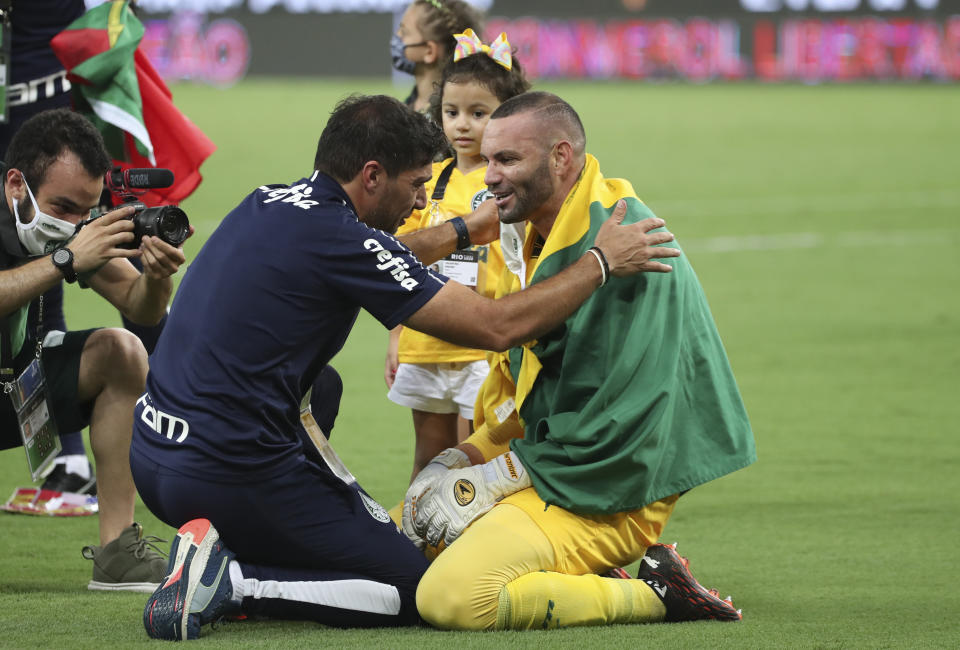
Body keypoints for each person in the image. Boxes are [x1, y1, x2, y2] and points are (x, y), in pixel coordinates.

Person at [132, 94, 679, 640]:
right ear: (372, 176)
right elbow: (497, 327)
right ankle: (232, 579)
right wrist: (601, 262)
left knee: (322, 386)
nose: (421, 200)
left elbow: (378, 253)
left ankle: (233, 543)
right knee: (411, 589)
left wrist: (464, 229)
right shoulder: (342, 241)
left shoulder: (272, 201)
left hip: (153, 457)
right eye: (416, 184)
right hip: (222, 473)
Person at [402, 91, 758, 630]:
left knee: (451, 598)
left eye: (507, 160)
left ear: (561, 157)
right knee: (412, 553)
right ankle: (589, 576)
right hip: (558, 466)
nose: (489, 176)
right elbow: (538, 388)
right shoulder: (541, 230)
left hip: (606, 491)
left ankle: (659, 595)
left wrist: (503, 473)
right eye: (488, 160)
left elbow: (623, 419)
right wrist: (465, 456)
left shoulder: (624, 242)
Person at [0, 108, 187, 590]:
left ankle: (118, 553)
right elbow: (67, 256)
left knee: (122, 352)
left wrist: (157, 278)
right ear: (17, 185)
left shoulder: (66, 229)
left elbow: (138, 308)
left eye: (86, 211)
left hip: (14, 390)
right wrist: (65, 260)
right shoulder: (64, 245)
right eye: (63, 208)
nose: (73, 225)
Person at [386, 29, 530, 481]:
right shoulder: (425, 177)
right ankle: (413, 544)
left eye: (478, 113)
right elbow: (395, 258)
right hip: (425, 343)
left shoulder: (511, 182)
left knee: (473, 461)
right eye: (451, 112)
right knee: (427, 460)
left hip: (482, 350)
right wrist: (395, 337)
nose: (462, 125)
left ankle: (470, 547)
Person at [0, 0, 99, 494]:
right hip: (39, 47)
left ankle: (85, 457)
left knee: (53, 222)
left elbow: (137, 294)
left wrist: (152, 276)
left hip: (46, 44)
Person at [392, 0, 484, 113]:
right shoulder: (408, 107)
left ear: (429, 52)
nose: (397, 36)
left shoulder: (449, 123)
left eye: (404, 32)